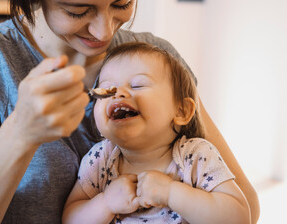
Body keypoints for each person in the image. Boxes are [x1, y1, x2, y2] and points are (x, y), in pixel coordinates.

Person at [0, 0, 258, 223]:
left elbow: (245, 209)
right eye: (77, 10)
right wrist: (20, 134)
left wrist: (175, 196)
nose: (104, 31)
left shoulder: (156, 59)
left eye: (122, 1)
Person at [62, 42, 251, 224]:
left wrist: (171, 193)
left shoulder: (195, 156)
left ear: (181, 111)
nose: (118, 94)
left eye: (137, 85)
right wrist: (105, 203)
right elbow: (69, 218)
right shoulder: (100, 158)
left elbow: (239, 217)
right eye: (107, 90)